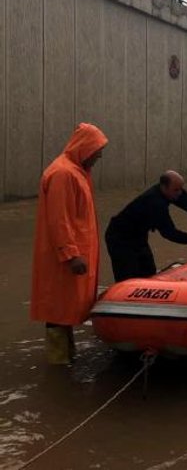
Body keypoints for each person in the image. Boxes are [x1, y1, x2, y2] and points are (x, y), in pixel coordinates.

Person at [30, 123, 108, 365]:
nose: (99, 156)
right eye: (97, 150)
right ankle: (58, 363)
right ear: (84, 148)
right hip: (64, 258)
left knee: (64, 309)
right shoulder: (64, 174)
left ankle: (66, 356)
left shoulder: (76, 172)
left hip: (72, 254)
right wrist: (71, 254)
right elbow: (59, 219)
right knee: (57, 309)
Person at [105, 171, 187, 282]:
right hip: (120, 239)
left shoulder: (170, 192)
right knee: (128, 277)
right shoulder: (155, 203)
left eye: (181, 189)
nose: (180, 193)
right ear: (164, 187)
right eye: (176, 190)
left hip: (139, 237)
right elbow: (170, 233)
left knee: (149, 270)